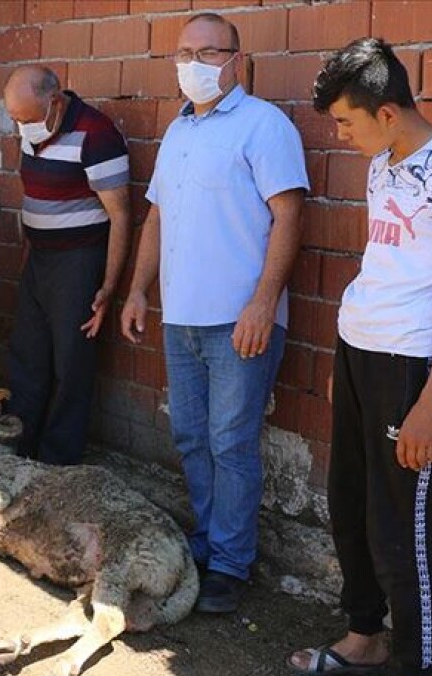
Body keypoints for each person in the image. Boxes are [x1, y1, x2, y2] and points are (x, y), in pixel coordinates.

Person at [287, 39, 432, 676]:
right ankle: (364, 638)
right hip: (359, 351)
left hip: (410, 368)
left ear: (386, 110)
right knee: (348, 503)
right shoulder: (384, 162)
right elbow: (387, 264)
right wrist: (341, 362)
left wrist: (431, 404)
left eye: (346, 122)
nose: (341, 136)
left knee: (399, 524)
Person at [119, 13, 307, 614]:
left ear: (237, 60)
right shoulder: (178, 132)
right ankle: (205, 542)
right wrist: (138, 289)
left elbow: (289, 217)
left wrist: (262, 302)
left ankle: (230, 563)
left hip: (239, 320)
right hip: (182, 317)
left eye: (207, 52)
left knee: (231, 442)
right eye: (184, 53)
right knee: (190, 435)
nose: (193, 64)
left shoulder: (264, 126)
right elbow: (156, 218)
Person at [1, 65, 131, 465]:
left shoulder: (96, 134)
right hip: (39, 257)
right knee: (28, 354)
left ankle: (57, 459)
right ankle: (18, 449)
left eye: (27, 118)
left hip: (78, 261)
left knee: (71, 363)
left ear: (54, 103)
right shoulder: (31, 130)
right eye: (16, 119)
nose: (22, 127)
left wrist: (108, 287)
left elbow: (121, 215)